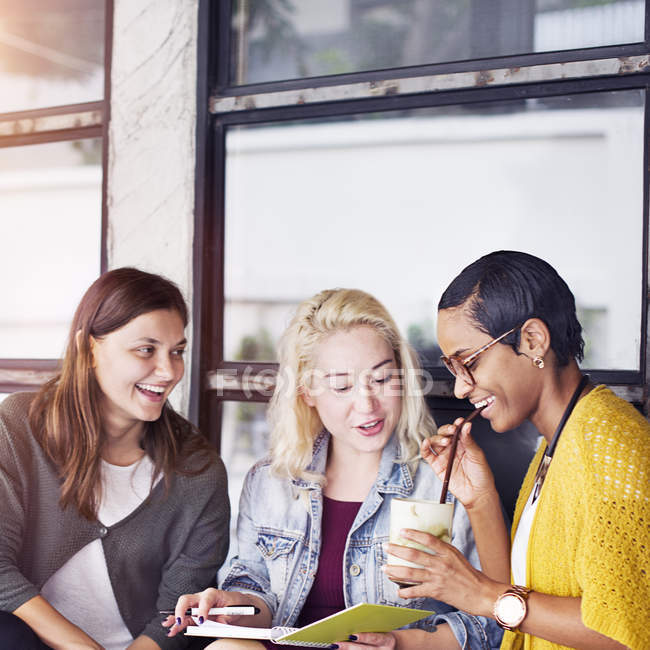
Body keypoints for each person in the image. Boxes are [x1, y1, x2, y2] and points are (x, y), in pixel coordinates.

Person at [167, 288, 502, 649]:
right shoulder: (269, 481)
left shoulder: (443, 479)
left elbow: (490, 622)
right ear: (307, 393)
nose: (367, 404)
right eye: (342, 386)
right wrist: (231, 608)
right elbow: (256, 589)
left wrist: (400, 644)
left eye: (382, 379)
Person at [381, 250, 650, 649]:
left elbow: (621, 633)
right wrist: (479, 499)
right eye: (453, 369)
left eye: (468, 362)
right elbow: (515, 605)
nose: (460, 387)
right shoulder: (557, 444)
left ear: (533, 340)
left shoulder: (611, 448)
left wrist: (478, 593)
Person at [0, 267, 230, 650]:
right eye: (146, 350)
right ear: (89, 348)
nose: (169, 370)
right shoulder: (18, 426)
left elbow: (175, 617)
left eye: (177, 351)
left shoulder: (199, 471)